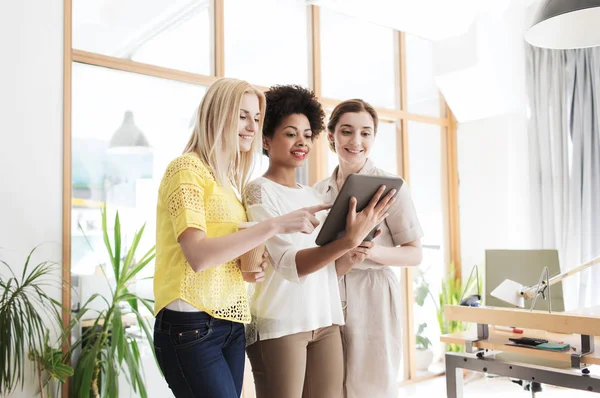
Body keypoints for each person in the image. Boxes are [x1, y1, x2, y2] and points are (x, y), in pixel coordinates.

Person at [152, 78, 331, 398]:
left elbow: (223, 252)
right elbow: (199, 255)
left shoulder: (228, 183)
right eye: (242, 116)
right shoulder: (185, 169)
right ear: (217, 114)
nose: (252, 126)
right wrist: (275, 225)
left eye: (256, 118)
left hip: (231, 324)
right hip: (190, 323)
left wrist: (247, 267)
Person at [243, 85, 395, 398]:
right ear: (266, 139)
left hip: (326, 320)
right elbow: (290, 267)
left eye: (307, 134)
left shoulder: (313, 194)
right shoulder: (258, 191)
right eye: (290, 134)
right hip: (281, 324)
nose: (302, 142)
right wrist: (345, 241)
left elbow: (327, 269)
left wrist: (351, 252)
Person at [314, 99, 424, 398]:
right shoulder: (318, 191)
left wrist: (369, 250)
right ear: (331, 136)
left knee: (372, 385)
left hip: (374, 291)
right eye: (347, 131)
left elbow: (414, 253)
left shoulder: (391, 186)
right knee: (331, 385)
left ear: (374, 137)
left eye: (366, 133)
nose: (356, 141)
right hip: (329, 290)